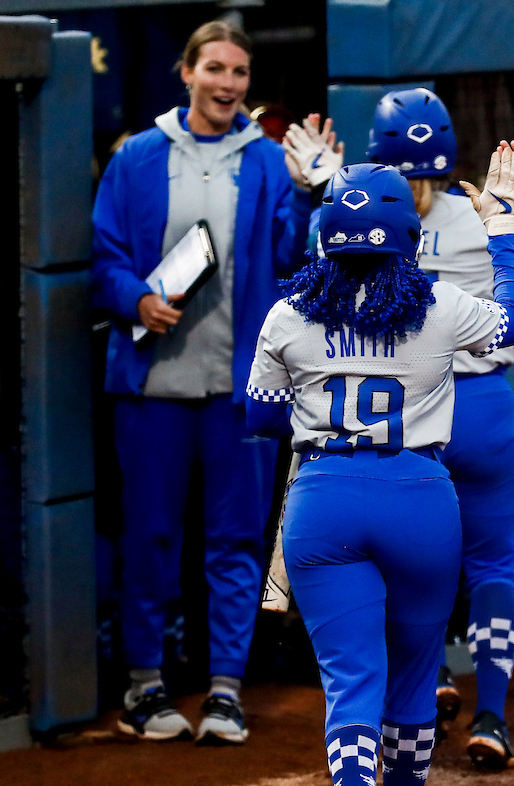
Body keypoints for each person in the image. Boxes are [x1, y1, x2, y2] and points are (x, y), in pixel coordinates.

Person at [244, 154, 514, 786]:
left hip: (324, 504)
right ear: (408, 239)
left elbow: (262, 422)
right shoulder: (438, 305)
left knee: (349, 683)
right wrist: (503, 222)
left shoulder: (286, 315)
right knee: (411, 681)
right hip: (417, 500)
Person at [91, 20, 310, 744]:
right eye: (214, 68)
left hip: (240, 390)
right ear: (185, 73)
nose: (227, 83)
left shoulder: (271, 161)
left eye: (240, 73)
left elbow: (290, 256)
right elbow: (106, 254)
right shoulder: (139, 157)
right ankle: (144, 686)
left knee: (236, 540)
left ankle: (225, 689)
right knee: (150, 537)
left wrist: (310, 194)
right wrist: (136, 300)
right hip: (152, 386)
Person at [365, 87, 514, 768]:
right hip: (483, 406)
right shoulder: (481, 215)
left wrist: (316, 184)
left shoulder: (365, 218)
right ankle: (492, 717)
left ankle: (429, 677)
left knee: (408, 565)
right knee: (492, 566)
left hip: (409, 410)